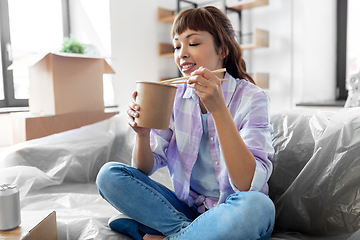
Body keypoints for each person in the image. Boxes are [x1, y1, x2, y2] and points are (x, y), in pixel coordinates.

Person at [96, 6, 275, 240]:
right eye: (177, 45)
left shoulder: (253, 98)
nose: (182, 53)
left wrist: (219, 111)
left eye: (193, 43)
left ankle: (163, 234)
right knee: (109, 175)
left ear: (223, 50)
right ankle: (189, 232)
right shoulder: (175, 96)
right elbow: (143, 170)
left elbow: (245, 184)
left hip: (234, 210)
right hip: (188, 210)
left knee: (258, 207)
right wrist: (142, 134)